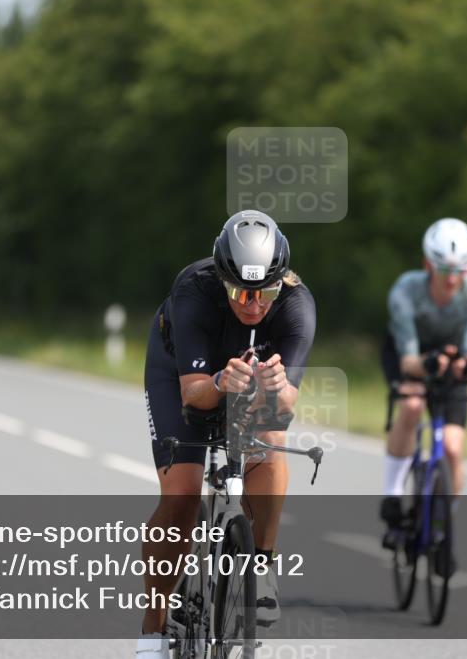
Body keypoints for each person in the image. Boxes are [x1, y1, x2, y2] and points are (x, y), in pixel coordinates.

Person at [136, 210, 316, 658]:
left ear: (282, 281)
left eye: (266, 291)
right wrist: (218, 383)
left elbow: (288, 403)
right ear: (221, 278)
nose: (254, 303)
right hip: (185, 375)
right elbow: (194, 394)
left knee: (271, 442)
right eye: (241, 290)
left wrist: (276, 389)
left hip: (248, 381)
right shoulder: (194, 292)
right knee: (181, 498)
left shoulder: (297, 306)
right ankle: (153, 629)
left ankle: (263, 565)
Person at [379, 218, 467, 543]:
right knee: (412, 404)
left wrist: (465, 367)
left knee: (454, 450)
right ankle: (392, 494)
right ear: (427, 264)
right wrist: (428, 364)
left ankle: (445, 523)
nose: (453, 279)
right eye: (445, 270)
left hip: (451, 361)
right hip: (409, 354)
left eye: (462, 270)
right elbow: (407, 359)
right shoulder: (406, 290)